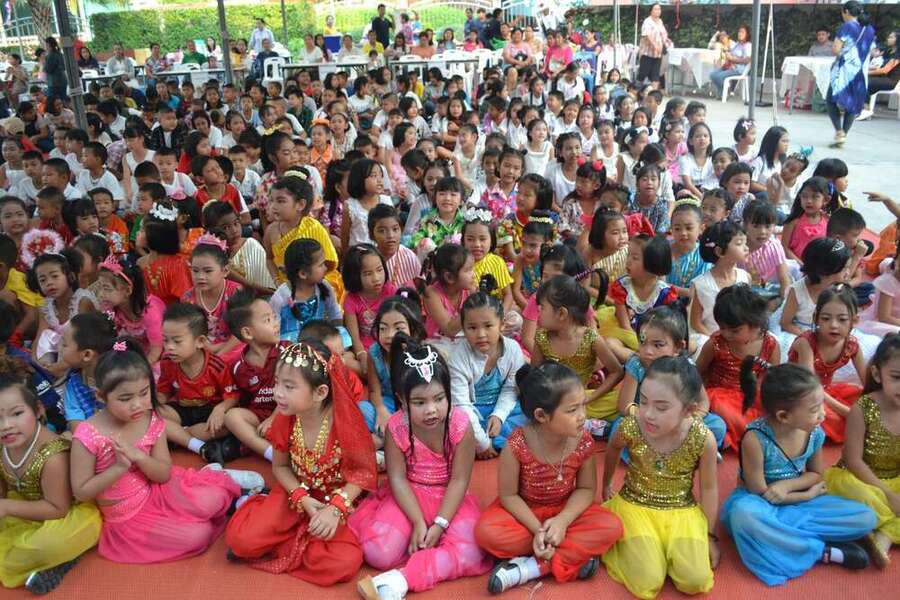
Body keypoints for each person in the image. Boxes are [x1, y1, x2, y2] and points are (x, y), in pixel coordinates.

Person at [225, 342, 377, 584]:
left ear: (320, 393)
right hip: (295, 494)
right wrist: (301, 497)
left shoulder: (346, 422)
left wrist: (335, 508)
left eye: (289, 387)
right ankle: (282, 527)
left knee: (343, 562)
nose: (278, 393)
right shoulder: (285, 418)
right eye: (276, 383)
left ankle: (283, 540)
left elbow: (361, 473)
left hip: (337, 499)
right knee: (241, 541)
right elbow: (280, 467)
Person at [352, 338, 492, 598]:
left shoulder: (461, 425)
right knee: (378, 552)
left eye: (439, 399)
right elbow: (397, 478)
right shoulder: (396, 426)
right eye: (419, 402)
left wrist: (440, 523)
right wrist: (417, 520)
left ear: (449, 393)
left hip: (450, 497)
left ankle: (402, 579)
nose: (431, 410)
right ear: (402, 401)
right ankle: (421, 544)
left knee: (473, 551)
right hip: (409, 495)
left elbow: (459, 481)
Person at [475, 362, 624, 593]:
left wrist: (562, 521)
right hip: (525, 514)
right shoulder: (516, 444)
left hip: (566, 511)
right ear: (541, 415)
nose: (582, 416)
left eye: (583, 405)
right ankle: (571, 556)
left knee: (611, 526)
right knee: (487, 533)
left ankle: (531, 567)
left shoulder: (584, 441)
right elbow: (508, 495)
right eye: (572, 410)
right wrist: (538, 530)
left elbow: (586, 490)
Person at [721, 363, 876, 585]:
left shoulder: (815, 432)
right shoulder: (754, 438)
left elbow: (815, 474)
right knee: (744, 517)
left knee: (866, 518)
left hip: (796, 500)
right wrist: (806, 495)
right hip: (759, 503)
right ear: (784, 416)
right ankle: (821, 550)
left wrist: (789, 487)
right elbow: (760, 491)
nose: (823, 414)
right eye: (814, 410)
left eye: (821, 405)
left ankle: (782, 536)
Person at [602, 356, 718, 599]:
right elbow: (612, 448)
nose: (648, 414)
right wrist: (607, 484)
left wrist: (709, 536)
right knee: (648, 580)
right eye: (643, 401)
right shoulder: (631, 425)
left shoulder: (703, 438)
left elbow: (709, 488)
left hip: (682, 510)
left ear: (689, 410)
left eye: (662, 407)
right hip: (635, 505)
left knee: (695, 580)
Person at [0, 369, 101, 594]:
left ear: (38, 410)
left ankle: (58, 559)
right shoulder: (4, 443)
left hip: (63, 516)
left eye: (16, 414)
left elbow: (58, 508)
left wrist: (6, 507)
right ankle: (44, 564)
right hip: (22, 508)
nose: (5, 425)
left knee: (49, 545)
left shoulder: (53, 455)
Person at [826, 1, 876, 146]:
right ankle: (844, 134)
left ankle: (839, 131)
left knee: (830, 100)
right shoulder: (869, 29)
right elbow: (873, 51)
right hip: (860, 73)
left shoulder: (846, 27)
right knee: (852, 105)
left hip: (843, 72)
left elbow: (836, 49)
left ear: (846, 11)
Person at [858, 30, 900, 121]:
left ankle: (866, 109)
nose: (888, 39)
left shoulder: (898, 54)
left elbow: (885, 70)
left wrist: (867, 72)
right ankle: (860, 107)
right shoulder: (889, 52)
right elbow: (880, 67)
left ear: (898, 39)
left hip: (892, 81)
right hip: (884, 78)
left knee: (866, 81)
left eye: (891, 37)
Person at [709, 25, 752, 98]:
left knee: (719, 77)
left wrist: (733, 59)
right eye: (739, 32)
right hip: (729, 66)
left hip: (737, 69)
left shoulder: (748, 45)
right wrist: (728, 54)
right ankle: (723, 93)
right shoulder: (737, 44)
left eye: (742, 32)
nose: (739, 34)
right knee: (712, 75)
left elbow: (748, 60)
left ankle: (725, 93)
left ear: (747, 35)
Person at [636, 4, 671, 88]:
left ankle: (654, 93)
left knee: (655, 75)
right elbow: (646, 35)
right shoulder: (647, 21)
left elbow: (663, 34)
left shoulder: (660, 21)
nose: (658, 11)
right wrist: (655, 45)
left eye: (659, 9)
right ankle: (635, 90)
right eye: (655, 9)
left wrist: (666, 41)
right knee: (642, 74)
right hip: (647, 53)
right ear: (651, 11)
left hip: (658, 54)